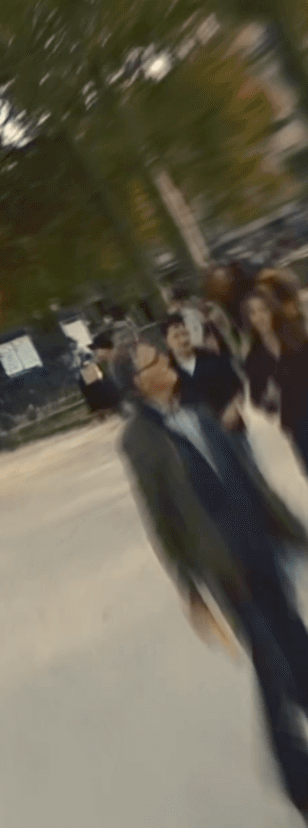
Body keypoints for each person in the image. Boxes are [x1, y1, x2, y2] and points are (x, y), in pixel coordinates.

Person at [121, 332, 308, 819]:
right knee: (272, 660)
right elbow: (161, 519)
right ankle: (297, 777)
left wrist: (294, 531)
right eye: (153, 362)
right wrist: (190, 589)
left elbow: (250, 481)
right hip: (224, 563)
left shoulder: (200, 410)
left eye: (162, 356)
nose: (165, 362)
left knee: (297, 644)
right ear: (138, 384)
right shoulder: (138, 439)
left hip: (259, 545)